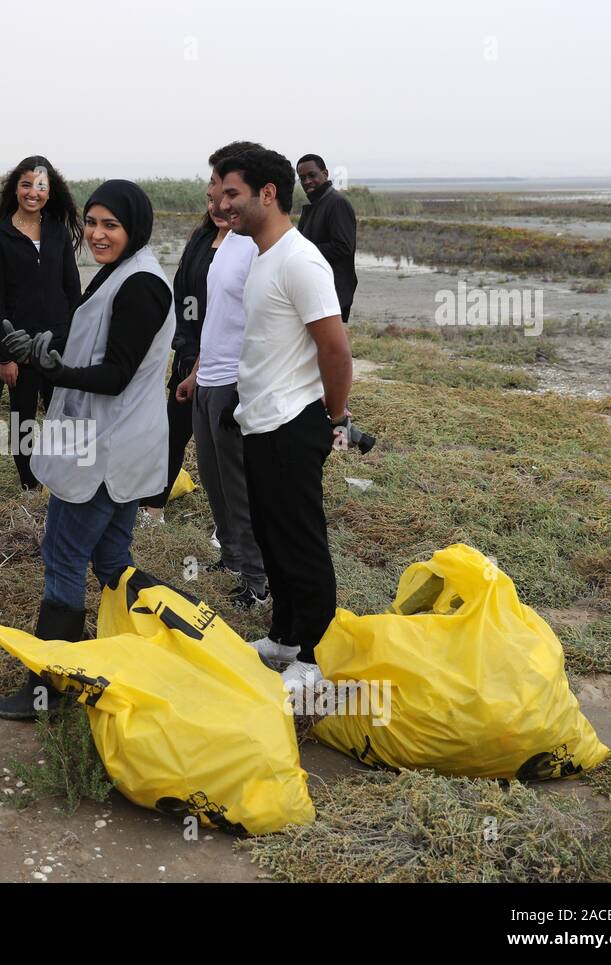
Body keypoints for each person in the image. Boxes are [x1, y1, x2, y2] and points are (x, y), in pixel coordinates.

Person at [0, 180, 174, 720]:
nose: (96, 233)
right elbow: (98, 342)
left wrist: (53, 368)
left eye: (110, 225)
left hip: (105, 447)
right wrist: (47, 345)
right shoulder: (125, 273)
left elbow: (116, 374)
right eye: (91, 222)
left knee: (64, 558)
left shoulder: (142, 285)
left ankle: (48, 690)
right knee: (113, 560)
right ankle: (152, 653)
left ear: (133, 227)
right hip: (113, 443)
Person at [215, 145, 354, 692]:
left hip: (295, 422)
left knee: (301, 539)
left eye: (232, 193)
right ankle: (285, 635)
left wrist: (335, 417)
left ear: (266, 194)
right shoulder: (261, 255)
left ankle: (317, 655)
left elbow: (336, 351)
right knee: (272, 534)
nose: (223, 204)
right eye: (220, 193)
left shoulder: (300, 259)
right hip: (259, 420)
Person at [174, 142, 270, 612]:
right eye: (214, 186)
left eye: (221, 185)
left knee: (239, 487)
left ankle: (258, 581)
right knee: (212, 481)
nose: (213, 194)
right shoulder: (225, 242)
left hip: (235, 385)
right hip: (207, 380)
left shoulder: (259, 248)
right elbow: (217, 321)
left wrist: (245, 387)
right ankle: (231, 559)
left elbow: (264, 326)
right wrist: (194, 373)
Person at [0, 156, 82, 490]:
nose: (33, 192)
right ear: (16, 188)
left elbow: (72, 290)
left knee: (65, 418)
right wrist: (4, 356)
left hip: (59, 344)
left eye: (40, 186)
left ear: (50, 192)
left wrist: (74, 338)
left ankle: (62, 480)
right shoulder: (1, 235)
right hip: (20, 347)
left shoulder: (57, 232)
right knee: (22, 419)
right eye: (26, 184)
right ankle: (30, 485)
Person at [137, 194, 225, 522]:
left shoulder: (248, 247)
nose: (218, 206)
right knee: (172, 434)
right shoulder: (200, 240)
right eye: (211, 199)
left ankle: (227, 527)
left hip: (228, 365)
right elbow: (183, 294)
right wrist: (185, 343)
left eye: (228, 197)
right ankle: (154, 509)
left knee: (221, 448)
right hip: (189, 356)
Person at [296, 154, 357, 321]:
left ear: (325, 173)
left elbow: (343, 247)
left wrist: (302, 251)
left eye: (312, 175)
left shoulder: (337, 203)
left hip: (333, 292)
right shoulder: (317, 204)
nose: (307, 181)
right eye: (302, 178)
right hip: (318, 290)